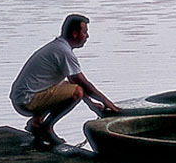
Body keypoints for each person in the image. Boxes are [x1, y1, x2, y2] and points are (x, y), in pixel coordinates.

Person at [10, 14, 121, 146]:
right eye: (85, 32)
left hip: (22, 97)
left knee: (69, 86)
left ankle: (37, 122)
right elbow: (82, 84)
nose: (87, 36)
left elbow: (72, 82)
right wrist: (107, 102)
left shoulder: (59, 47)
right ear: (75, 34)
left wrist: (90, 103)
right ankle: (46, 127)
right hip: (26, 101)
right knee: (77, 92)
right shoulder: (64, 52)